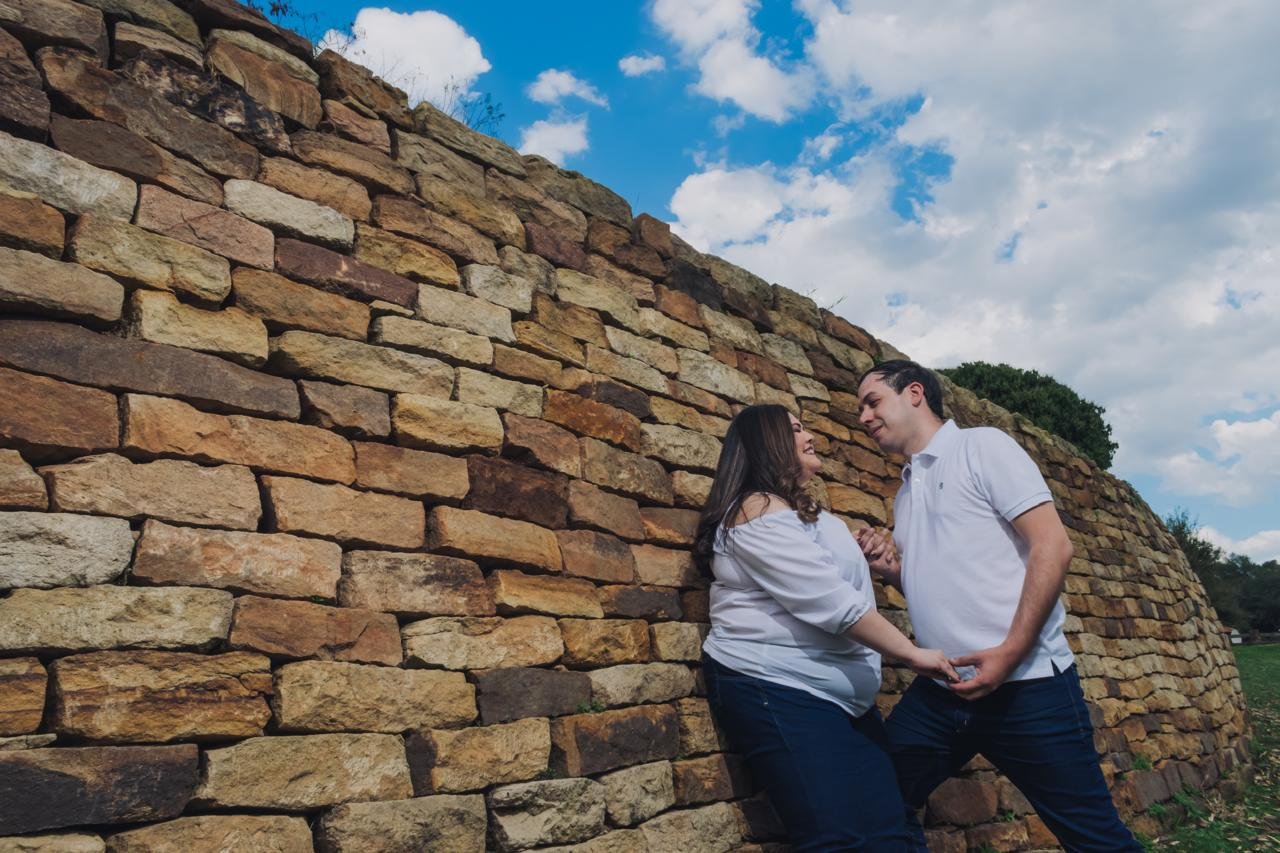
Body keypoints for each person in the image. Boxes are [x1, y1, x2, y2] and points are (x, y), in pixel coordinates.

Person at [854, 360, 1142, 852]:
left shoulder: (982, 447)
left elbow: (1053, 546)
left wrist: (1010, 653)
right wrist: (892, 572)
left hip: (1028, 687)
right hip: (943, 689)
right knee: (877, 800)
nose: (863, 417)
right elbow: (944, 578)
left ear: (914, 393)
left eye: (872, 401)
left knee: (1095, 839)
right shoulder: (904, 492)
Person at [694, 403, 960, 852]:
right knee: (838, 837)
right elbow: (830, 601)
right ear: (768, 443)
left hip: (841, 698)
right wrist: (913, 653)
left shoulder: (805, 514)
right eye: (796, 429)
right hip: (780, 687)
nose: (809, 435)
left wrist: (864, 553)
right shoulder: (756, 508)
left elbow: (825, 570)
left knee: (890, 829)